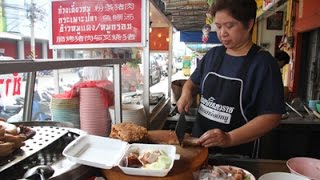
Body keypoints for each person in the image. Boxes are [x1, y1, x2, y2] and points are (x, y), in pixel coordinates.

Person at [177, 0, 286, 158]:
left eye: (229, 26)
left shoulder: (263, 64)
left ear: (249, 24)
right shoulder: (213, 55)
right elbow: (192, 82)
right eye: (219, 26)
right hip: (198, 147)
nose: (222, 33)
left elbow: (272, 117)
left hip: (236, 156)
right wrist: (186, 93)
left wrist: (229, 138)